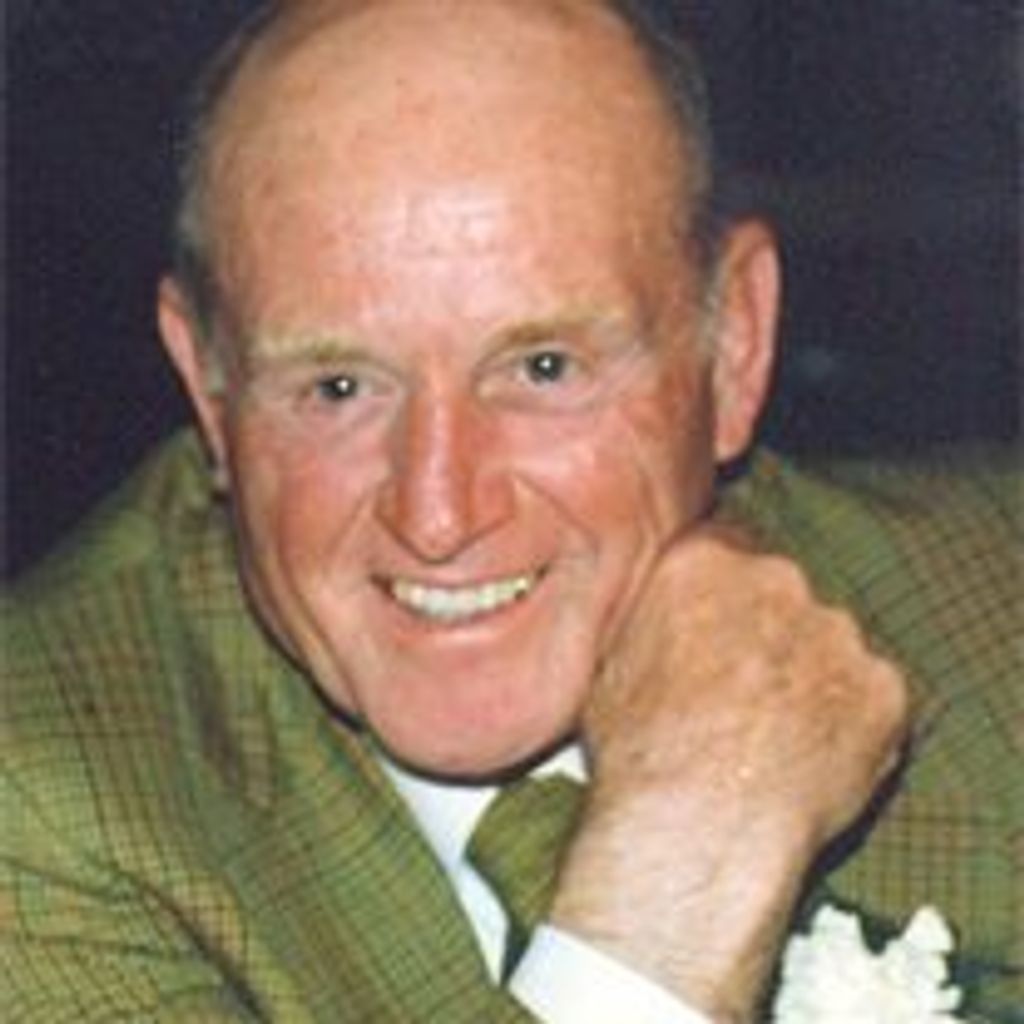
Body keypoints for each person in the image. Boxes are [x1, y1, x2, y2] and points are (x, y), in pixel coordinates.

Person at [3, 1, 1019, 1020]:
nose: (438, 514)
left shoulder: (997, 604)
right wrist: (683, 870)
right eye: (338, 388)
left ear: (734, 343)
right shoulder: (45, 791)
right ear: (209, 385)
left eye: (542, 368)